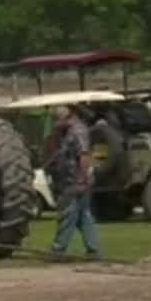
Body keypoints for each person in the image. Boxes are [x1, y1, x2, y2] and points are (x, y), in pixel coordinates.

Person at [47, 104, 101, 260]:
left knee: (68, 214)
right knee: (84, 216)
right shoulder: (69, 132)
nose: (55, 124)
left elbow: (83, 156)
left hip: (75, 181)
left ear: (67, 117)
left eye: (57, 120)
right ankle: (94, 250)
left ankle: (58, 250)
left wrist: (82, 179)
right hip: (74, 180)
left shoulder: (77, 132)